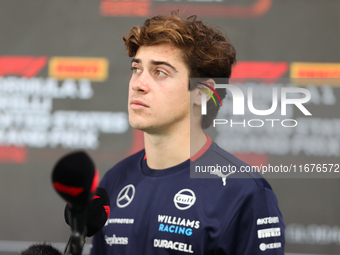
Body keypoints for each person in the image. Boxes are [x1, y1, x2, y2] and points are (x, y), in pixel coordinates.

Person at [90, 11, 285, 254]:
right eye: (136, 68)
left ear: (202, 93)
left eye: (160, 72)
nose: (138, 83)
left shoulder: (245, 193)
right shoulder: (114, 181)